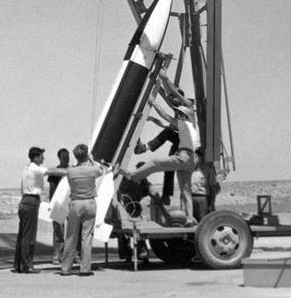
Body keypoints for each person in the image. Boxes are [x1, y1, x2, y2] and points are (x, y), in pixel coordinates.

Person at [122, 74, 200, 223]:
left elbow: (167, 112)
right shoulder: (186, 121)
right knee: (185, 191)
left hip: (184, 154)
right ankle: (190, 218)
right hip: (189, 158)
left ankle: (133, 176)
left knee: (155, 163)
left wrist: (154, 99)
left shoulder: (186, 112)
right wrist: (158, 84)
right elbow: (166, 113)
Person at [13, 146, 65, 273]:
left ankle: (20, 264)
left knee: (23, 235)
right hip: (31, 201)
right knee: (29, 237)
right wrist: (69, 171)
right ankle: (27, 266)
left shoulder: (27, 168)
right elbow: (52, 171)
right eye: (41, 156)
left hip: (25, 201)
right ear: (36, 157)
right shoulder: (35, 168)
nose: (43, 158)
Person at [60, 143, 106, 277]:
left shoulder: (71, 171)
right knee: (87, 236)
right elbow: (101, 170)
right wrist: (92, 159)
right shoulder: (92, 170)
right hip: (90, 203)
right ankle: (85, 268)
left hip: (75, 203)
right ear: (86, 155)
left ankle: (66, 268)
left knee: (71, 236)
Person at [48, 148, 70, 264]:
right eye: (64, 157)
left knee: (73, 229)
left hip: (70, 202)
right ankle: (57, 254)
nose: (66, 159)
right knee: (58, 230)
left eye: (68, 156)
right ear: (59, 158)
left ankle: (74, 254)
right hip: (58, 202)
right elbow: (51, 188)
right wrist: (51, 204)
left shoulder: (72, 170)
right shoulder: (54, 172)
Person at [190, 147, 219, 222]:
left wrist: (212, 204)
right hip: (191, 199)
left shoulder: (207, 170)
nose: (193, 159)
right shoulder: (189, 171)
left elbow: (212, 188)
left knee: (203, 222)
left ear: (200, 158)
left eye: (196, 157)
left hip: (203, 199)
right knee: (192, 222)